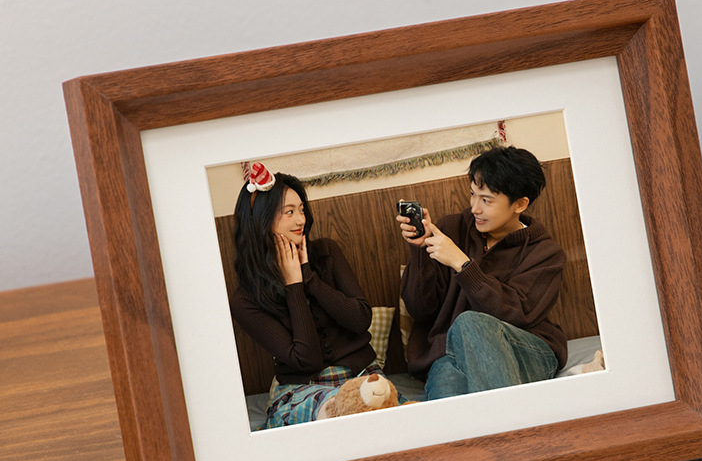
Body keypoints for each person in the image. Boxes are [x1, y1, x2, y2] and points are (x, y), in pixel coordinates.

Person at [397, 145, 567, 401]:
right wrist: (420, 250)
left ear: (520, 204)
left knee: (469, 322)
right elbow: (420, 310)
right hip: (450, 354)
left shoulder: (546, 254)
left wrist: (463, 265)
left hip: (526, 350)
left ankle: (507, 417)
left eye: (486, 200)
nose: (475, 208)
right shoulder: (450, 229)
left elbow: (517, 315)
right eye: (472, 194)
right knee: (447, 379)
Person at [230, 162, 389, 427]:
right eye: (289, 212)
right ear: (261, 221)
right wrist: (293, 285)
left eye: (301, 210)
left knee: (375, 402)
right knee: (331, 411)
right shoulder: (246, 299)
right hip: (303, 389)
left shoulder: (327, 252)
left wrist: (310, 279)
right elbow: (307, 360)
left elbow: (361, 319)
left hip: (361, 375)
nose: (301, 220)